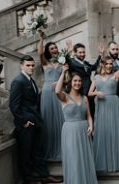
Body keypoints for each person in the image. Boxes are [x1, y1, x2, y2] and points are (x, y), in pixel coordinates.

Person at [54, 72, 98, 184]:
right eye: (75, 81)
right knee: (73, 162)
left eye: (79, 81)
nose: (77, 83)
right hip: (70, 132)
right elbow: (56, 90)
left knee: (83, 160)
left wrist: (91, 126)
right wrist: (62, 72)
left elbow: (89, 115)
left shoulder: (84, 98)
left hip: (83, 131)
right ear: (70, 82)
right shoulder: (64, 97)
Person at [9, 55, 52, 184]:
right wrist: (24, 121)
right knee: (26, 152)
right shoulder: (18, 81)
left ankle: (44, 175)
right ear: (21, 66)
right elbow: (13, 105)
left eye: (33, 65)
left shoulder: (30, 80)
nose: (31, 68)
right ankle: (29, 179)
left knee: (37, 150)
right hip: (26, 124)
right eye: (28, 65)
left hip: (35, 121)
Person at [89, 48, 119, 173]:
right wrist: (96, 92)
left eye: (111, 64)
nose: (109, 66)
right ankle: (103, 162)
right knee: (103, 131)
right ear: (102, 65)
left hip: (114, 105)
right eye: (107, 64)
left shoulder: (115, 75)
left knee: (114, 131)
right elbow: (89, 92)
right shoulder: (96, 77)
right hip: (102, 106)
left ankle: (116, 161)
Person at [37, 33, 67, 163]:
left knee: (62, 118)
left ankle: (63, 149)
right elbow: (39, 52)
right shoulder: (45, 62)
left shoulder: (62, 62)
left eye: (55, 47)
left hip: (59, 91)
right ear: (48, 52)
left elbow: (68, 80)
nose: (54, 50)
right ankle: (48, 149)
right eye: (52, 48)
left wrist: (61, 83)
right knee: (48, 119)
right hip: (48, 93)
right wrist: (41, 38)